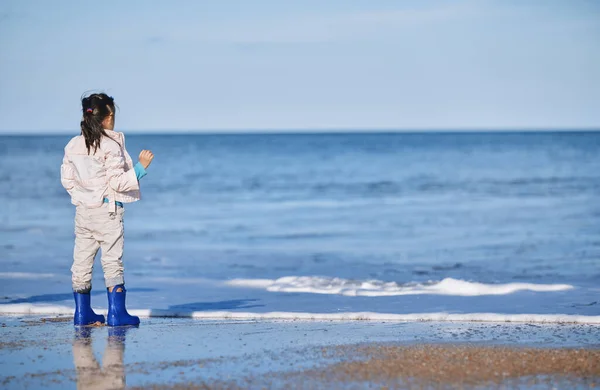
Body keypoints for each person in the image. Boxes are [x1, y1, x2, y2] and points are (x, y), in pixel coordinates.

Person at [60, 93, 154, 326]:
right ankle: (116, 313)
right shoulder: (110, 145)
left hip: (83, 212)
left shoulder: (73, 145)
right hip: (107, 211)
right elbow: (117, 182)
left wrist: (82, 196)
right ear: (109, 116)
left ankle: (82, 313)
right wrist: (141, 168)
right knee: (112, 260)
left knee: (82, 261)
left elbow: (67, 180)